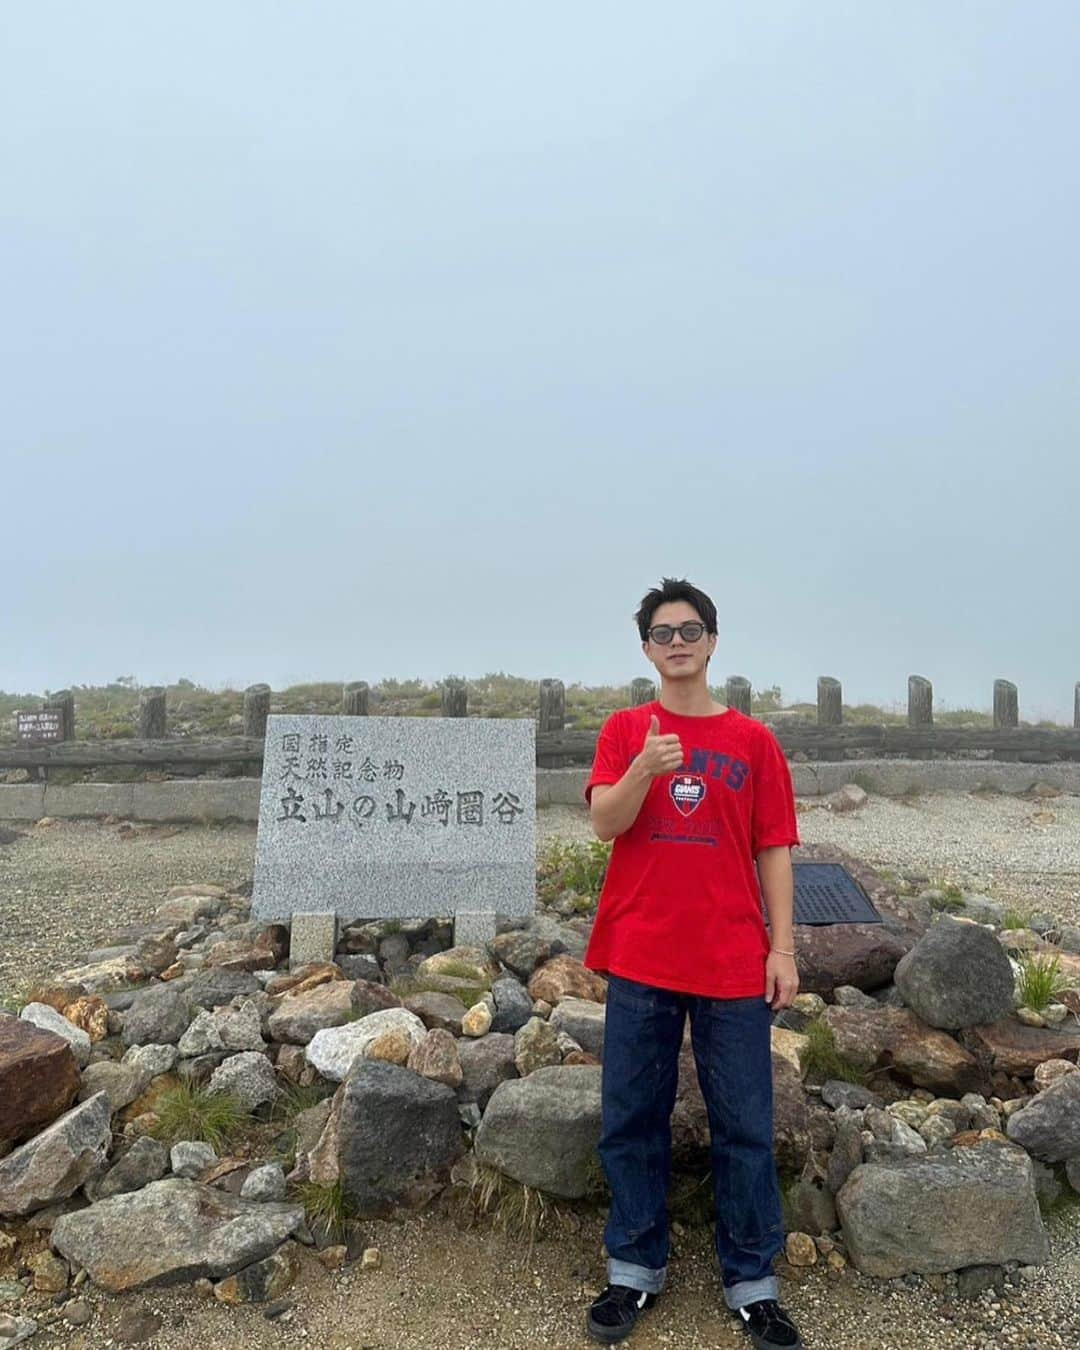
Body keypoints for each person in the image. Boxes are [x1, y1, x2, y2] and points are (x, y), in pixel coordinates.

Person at [582, 577, 803, 1350]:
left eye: (691, 629)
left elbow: (773, 847)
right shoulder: (624, 729)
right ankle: (633, 1270)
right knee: (630, 1119)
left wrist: (783, 948)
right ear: (646, 647)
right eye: (663, 632)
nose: (678, 642)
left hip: (733, 958)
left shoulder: (754, 742)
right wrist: (643, 767)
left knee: (744, 1122)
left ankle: (754, 1282)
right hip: (641, 952)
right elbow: (604, 822)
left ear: (713, 641)